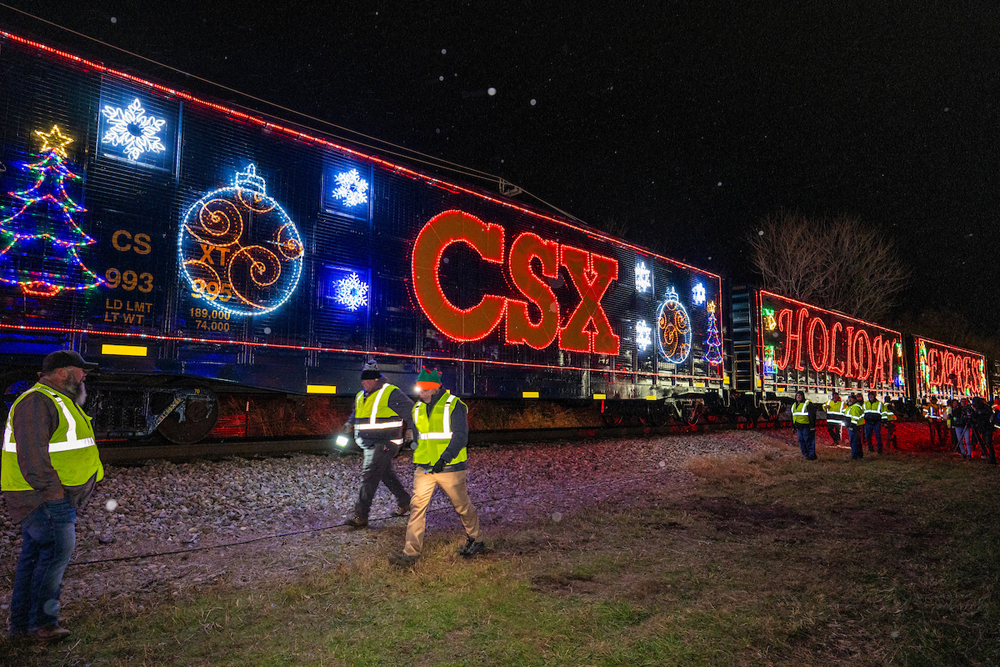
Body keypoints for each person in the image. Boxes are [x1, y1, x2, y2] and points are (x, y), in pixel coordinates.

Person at [2, 350, 104, 640]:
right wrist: (55, 493)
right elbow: (33, 457)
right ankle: (42, 624)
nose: (84, 376)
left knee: (34, 558)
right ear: (63, 372)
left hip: (42, 496)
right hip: (43, 498)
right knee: (55, 556)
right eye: (80, 370)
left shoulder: (53, 401)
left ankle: (21, 627)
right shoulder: (37, 402)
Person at [389, 368, 483, 567]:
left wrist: (444, 459)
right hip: (424, 468)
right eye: (419, 390)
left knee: (462, 506)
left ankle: (476, 538)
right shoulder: (418, 408)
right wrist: (410, 445)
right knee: (417, 509)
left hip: (450, 468)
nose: (420, 394)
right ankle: (410, 553)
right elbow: (418, 436)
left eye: (424, 390)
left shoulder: (454, 405)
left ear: (435, 389)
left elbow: (460, 437)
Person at [341, 360, 413, 528]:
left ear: (377, 379)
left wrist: (411, 432)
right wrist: (349, 423)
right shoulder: (361, 395)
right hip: (368, 443)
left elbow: (411, 411)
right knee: (384, 474)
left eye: (368, 379)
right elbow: (356, 413)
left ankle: (361, 516)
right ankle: (405, 502)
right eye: (363, 380)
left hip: (386, 443)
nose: (365, 382)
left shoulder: (390, 393)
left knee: (369, 475)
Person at [791, 391, 817, 460]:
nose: (798, 397)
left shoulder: (807, 404)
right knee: (801, 441)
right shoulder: (794, 405)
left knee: (808, 441)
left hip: (806, 426)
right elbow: (793, 416)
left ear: (803, 396)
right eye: (797, 396)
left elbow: (812, 415)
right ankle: (805, 455)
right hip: (799, 427)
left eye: (799, 395)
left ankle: (811, 455)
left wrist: (812, 426)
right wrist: (793, 426)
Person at [845, 394, 865, 460]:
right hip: (854, 426)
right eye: (849, 398)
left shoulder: (855, 407)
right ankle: (859, 455)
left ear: (855, 399)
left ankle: (854, 455)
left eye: (851, 399)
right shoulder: (851, 406)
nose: (850, 400)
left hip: (854, 427)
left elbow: (855, 418)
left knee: (854, 441)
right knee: (857, 441)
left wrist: (852, 426)